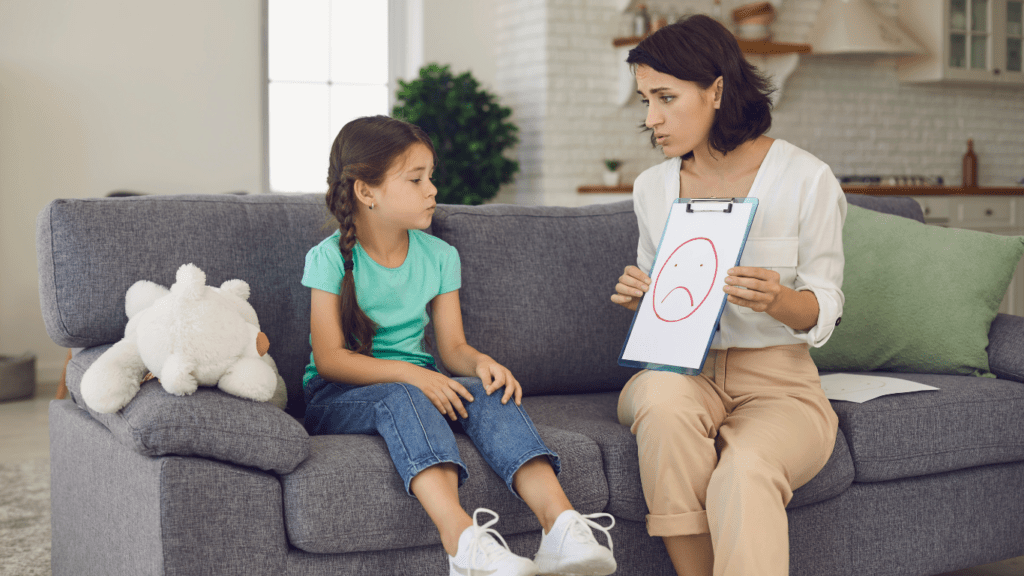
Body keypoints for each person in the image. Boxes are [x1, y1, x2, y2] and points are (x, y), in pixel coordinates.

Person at [302, 115, 616, 576]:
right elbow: (330, 360)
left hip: (424, 384)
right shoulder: (328, 258)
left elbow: (453, 349)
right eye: (416, 179)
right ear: (367, 193)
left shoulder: (439, 256)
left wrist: (482, 363)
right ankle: (464, 545)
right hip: (338, 397)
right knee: (404, 393)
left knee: (484, 389)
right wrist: (415, 375)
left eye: (432, 177)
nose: (432, 190)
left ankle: (562, 528)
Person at [610, 16, 845, 576]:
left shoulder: (806, 179)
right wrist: (642, 297)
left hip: (781, 387)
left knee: (744, 471)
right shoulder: (653, 188)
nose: (652, 119)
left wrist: (778, 300)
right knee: (661, 405)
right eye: (646, 100)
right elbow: (666, 304)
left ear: (716, 89)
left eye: (666, 98)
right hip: (681, 372)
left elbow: (825, 304)